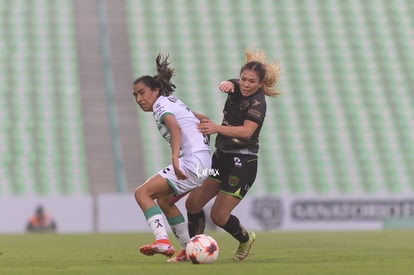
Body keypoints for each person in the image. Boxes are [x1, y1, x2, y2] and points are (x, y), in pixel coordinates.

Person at [185, 48, 281, 261]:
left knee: (219, 216)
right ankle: (194, 249)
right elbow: (231, 83)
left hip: (243, 162)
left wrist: (216, 128)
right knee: (192, 204)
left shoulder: (258, 102)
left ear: (260, 84)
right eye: (243, 79)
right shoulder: (237, 86)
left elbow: (247, 132)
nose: (246, 84)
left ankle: (246, 239)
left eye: (251, 81)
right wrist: (227, 82)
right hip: (221, 157)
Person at [133, 54, 211, 262]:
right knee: (165, 200)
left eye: (142, 93)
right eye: (135, 96)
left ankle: (162, 240)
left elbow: (175, 129)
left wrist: (176, 160)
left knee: (142, 193)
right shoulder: (172, 101)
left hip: (191, 161)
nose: (139, 99)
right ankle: (187, 250)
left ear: (155, 90)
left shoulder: (161, 105)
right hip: (203, 163)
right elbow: (203, 119)